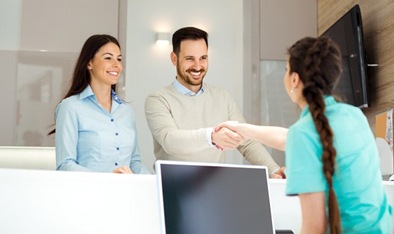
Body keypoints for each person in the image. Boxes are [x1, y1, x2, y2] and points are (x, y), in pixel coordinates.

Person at [217, 36, 392, 234]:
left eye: (286, 69)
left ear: (294, 79)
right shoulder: (354, 116)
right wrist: (240, 128)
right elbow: (289, 138)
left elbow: (314, 229)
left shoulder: (304, 133)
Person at [144, 26, 285, 178]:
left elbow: (246, 142)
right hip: (171, 186)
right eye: (190, 58)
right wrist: (211, 136)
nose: (198, 66)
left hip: (213, 186)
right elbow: (170, 141)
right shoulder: (158, 99)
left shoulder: (223, 97)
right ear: (174, 58)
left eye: (203, 58)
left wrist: (273, 170)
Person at [48, 34, 149, 174]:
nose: (116, 65)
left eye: (119, 59)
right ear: (89, 63)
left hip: (125, 193)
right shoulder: (70, 107)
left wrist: (152, 181)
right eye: (108, 58)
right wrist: (106, 178)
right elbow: (65, 164)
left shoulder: (126, 111)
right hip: (90, 193)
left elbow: (134, 162)